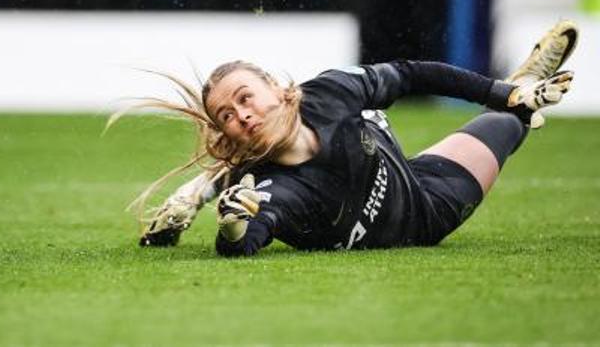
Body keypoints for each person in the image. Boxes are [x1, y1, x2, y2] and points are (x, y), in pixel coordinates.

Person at [122, 20, 578, 256]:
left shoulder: (330, 92)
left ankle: (521, 89)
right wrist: (234, 227)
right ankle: (518, 109)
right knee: (509, 126)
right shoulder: (272, 187)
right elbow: (247, 239)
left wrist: (504, 92)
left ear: (281, 89)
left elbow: (412, 74)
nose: (242, 115)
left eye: (245, 98)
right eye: (227, 117)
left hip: (415, 178)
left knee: (509, 112)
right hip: (425, 218)